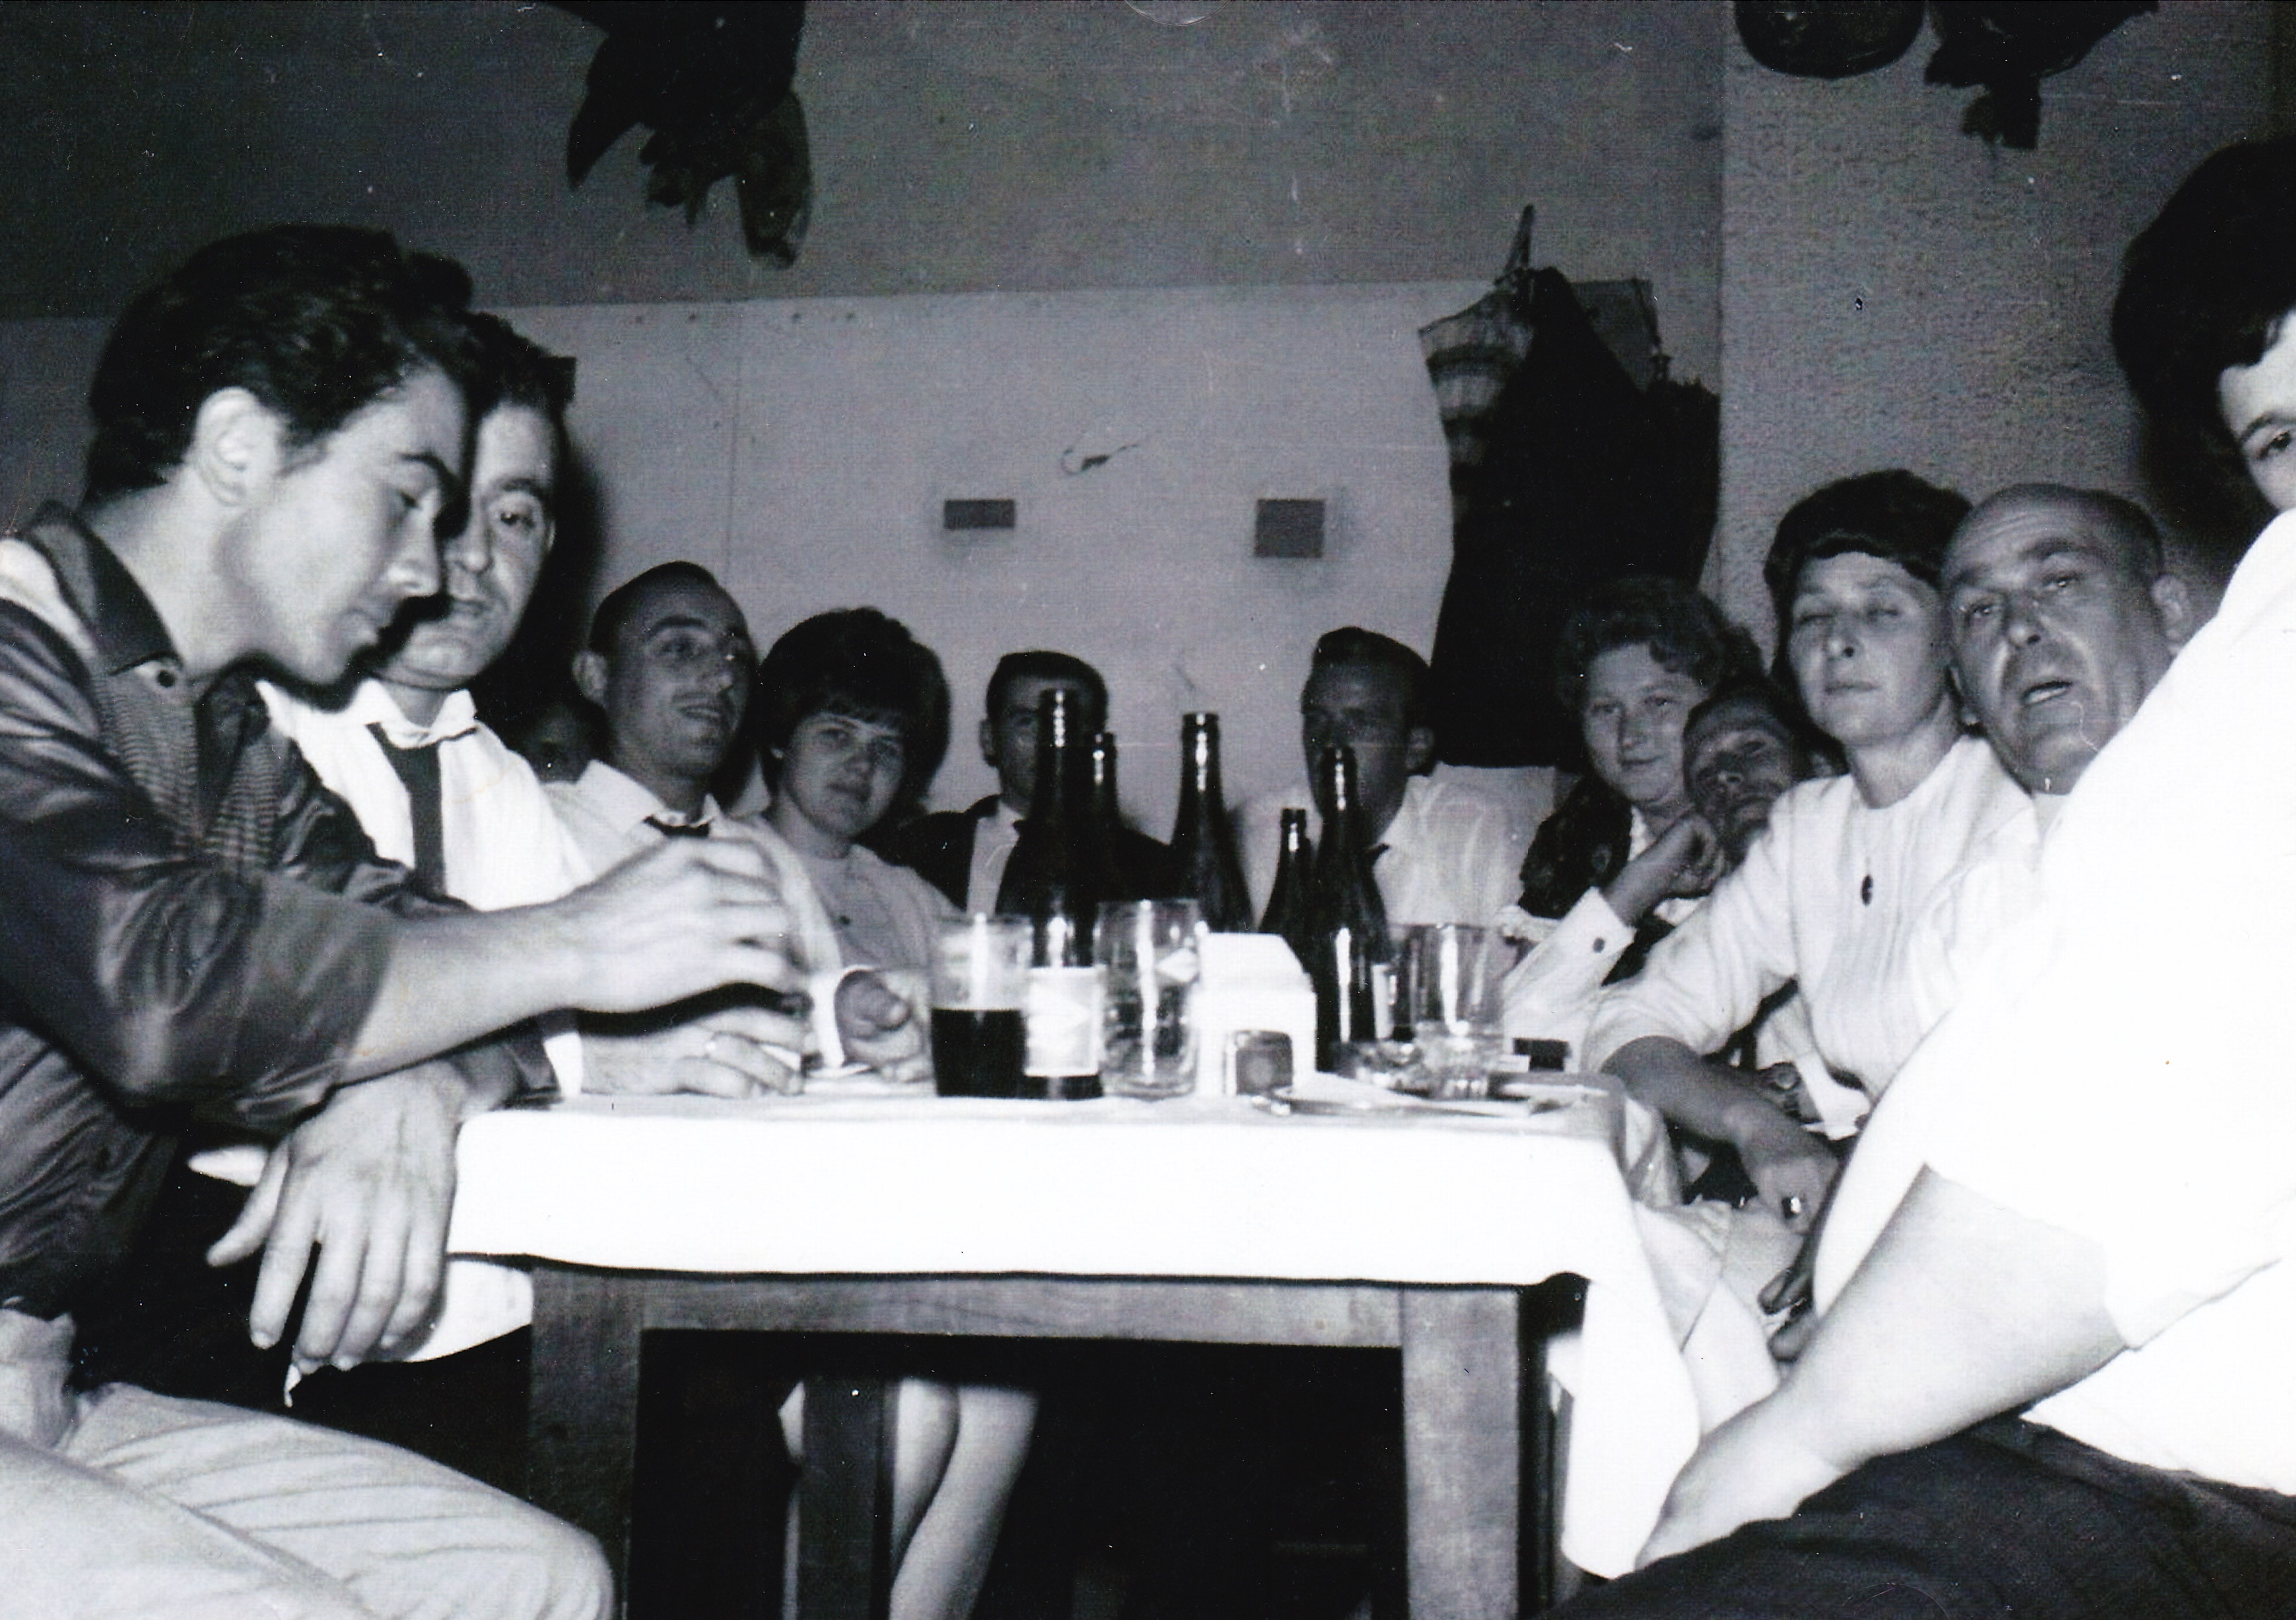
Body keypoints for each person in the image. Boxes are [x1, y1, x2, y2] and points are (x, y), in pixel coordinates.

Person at [0, 226, 804, 1619]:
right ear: (239, 447)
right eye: (409, 497)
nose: (433, 570)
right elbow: (161, 989)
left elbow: (428, 945)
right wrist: (575, 945)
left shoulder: (225, 738)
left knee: (544, 1578)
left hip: (43, 1385)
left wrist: (425, 1068)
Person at [1547, 138, 2296, 1619]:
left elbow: (2114, 1164)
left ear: (2171, 611)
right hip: (1972, 1413)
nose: (2012, 636)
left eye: (2056, 586)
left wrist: (1802, 1430)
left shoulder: (2238, 703)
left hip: (2122, 1472)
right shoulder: (1924, 828)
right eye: (2280, 442)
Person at [1583, 471, 2034, 1229]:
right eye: (1813, 615)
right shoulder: (1809, 829)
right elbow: (1627, 1024)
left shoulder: (2017, 804)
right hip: (1878, 1206)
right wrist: (1757, 1128)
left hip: (2000, 1213)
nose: (1838, 641)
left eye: (1881, 611)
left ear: (1954, 639)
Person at [749, 608, 1038, 1620]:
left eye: (887, 746)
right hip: (772, 1247)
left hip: (899, 1241)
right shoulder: (729, 862)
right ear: (777, 739)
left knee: (1005, 1400)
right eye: (835, 733)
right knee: (908, 1413)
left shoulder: (908, 893)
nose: (861, 765)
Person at [549, 562, 920, 1078]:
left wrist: (844, 1014)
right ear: (596, 677)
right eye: (681, 648)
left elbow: (809, 1025)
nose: (723, 677)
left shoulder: (765, 859)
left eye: (736, 658)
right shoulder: (536, 827)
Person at [1499, 578, 1763, 1055]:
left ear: (1719, 708)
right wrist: (1642, 881)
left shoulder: (1769, 835)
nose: (1630, 735)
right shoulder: (1579, 835)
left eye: (1659, 703)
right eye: (1605, 710)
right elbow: (1515, 1032)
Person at [1237, 627, 1524, 927]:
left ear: (1415, 749)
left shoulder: (1473, 832)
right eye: (1316, 721)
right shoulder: (1257, 832)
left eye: (1360, 724)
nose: (1331, 743)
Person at [884, 649, 1171, 912]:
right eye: (1027, 723)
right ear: (989, 739)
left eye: (1069, 725)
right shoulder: (916, 849)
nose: (1051, 743)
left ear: (1094, 743)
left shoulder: (1153, 866)